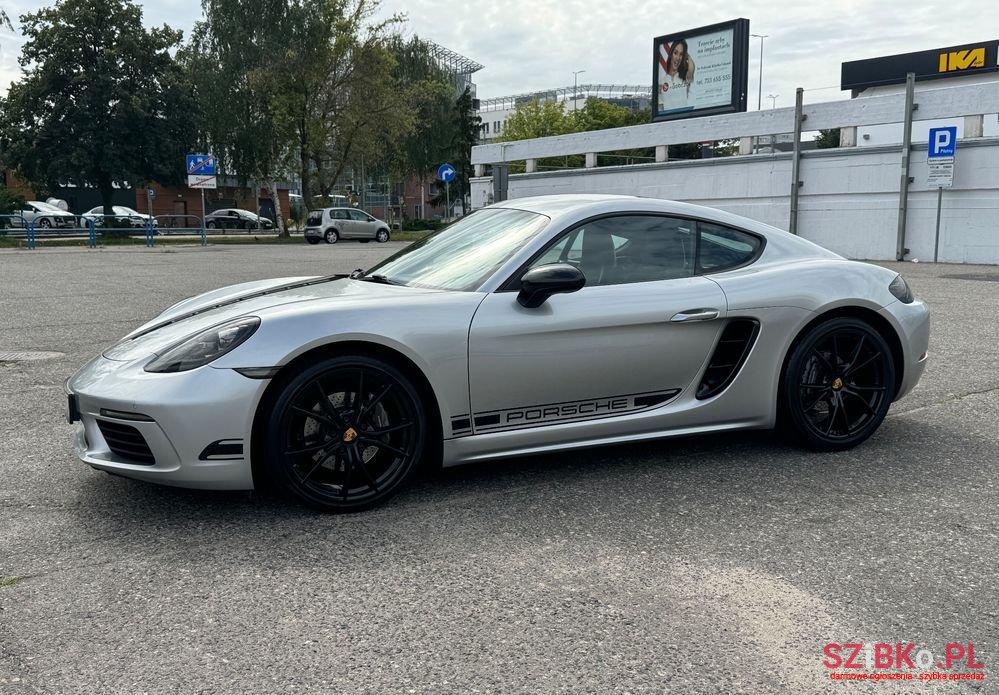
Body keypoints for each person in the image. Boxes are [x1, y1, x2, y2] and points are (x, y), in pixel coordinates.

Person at [658, 38, 696, 111]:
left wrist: (687, 56)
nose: (678, 58)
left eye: (681, 54)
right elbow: (660, 107)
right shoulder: (661, 82)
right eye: (675, 53)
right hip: (668, 119)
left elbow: (691, 69)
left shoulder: (684, 77)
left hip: (684, 117)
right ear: (671, 54)